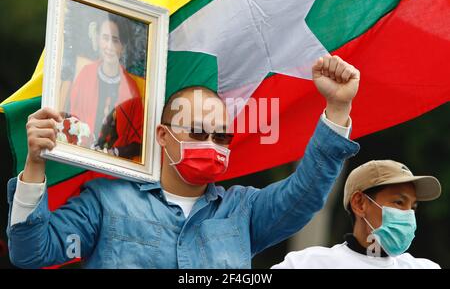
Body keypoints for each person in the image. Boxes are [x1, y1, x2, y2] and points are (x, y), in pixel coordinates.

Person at [7, 55, 360, 268]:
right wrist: (36, 164)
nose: (210, 144)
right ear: (162, 136)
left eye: (221, 137)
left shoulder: (244, 211)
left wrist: (338, 108)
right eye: (196, 132)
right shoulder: (105, 201)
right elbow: (32, 253)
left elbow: (308, 191)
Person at [272, 160, 442, 269]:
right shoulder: (306, 264)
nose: (408, 215)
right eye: (398, 202)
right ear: (359, 203)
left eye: (413, 206)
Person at [68, 14, 143, 160]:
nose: (109, 46)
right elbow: (71, 119)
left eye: (115, 41)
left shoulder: (131, 89)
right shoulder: (85, 74)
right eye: (105, 38)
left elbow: (138, 144)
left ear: (123, 46)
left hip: (114, 169)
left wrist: (114, 153)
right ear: (98, 39)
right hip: (79, 158)